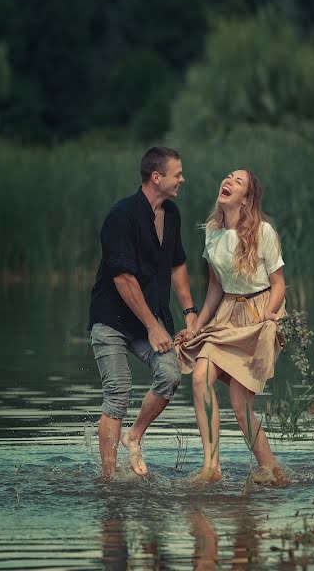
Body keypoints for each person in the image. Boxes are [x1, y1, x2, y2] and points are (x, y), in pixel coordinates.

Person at [88, 146, 198, 479]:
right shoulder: (121, 215)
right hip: (112, 322)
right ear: (156, 177)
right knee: (118, 392)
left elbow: (177, 264)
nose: (182, 179)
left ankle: (133, 436)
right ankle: (108, 479)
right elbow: (123, 278)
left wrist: (190, 312)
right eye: (177, 174)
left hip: (153, 323)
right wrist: (152, 326)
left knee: (170, 375)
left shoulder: (173, 214)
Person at [175, 169, 289, 485]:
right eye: (227, 177)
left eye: (238, 182)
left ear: (247, 198)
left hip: (259, 313)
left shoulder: (263, 231)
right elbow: (216, 288)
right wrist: (197, 327)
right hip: (227, 315)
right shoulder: (212, 232)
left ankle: (270, 470)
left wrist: (269, 315)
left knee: (240, 404)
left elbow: (279, 284)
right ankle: (211, 468)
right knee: (200, 376)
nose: (228, 181)